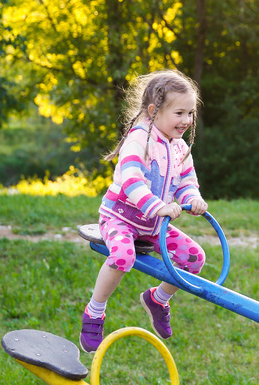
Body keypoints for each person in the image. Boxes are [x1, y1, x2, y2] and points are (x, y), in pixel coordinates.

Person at [80, 69, 209, 353]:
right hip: (120, 218)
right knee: (123, 257)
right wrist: (159, 207)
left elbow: (186, 181)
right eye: (179, 113)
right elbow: (131, 180)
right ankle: (94, 311)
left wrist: (193, 200)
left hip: (153, 226)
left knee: (195, 259)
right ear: (154, 111)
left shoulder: (179, 147)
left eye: (190, 113)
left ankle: (158, 299)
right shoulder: (139, 139)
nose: (186, 120)